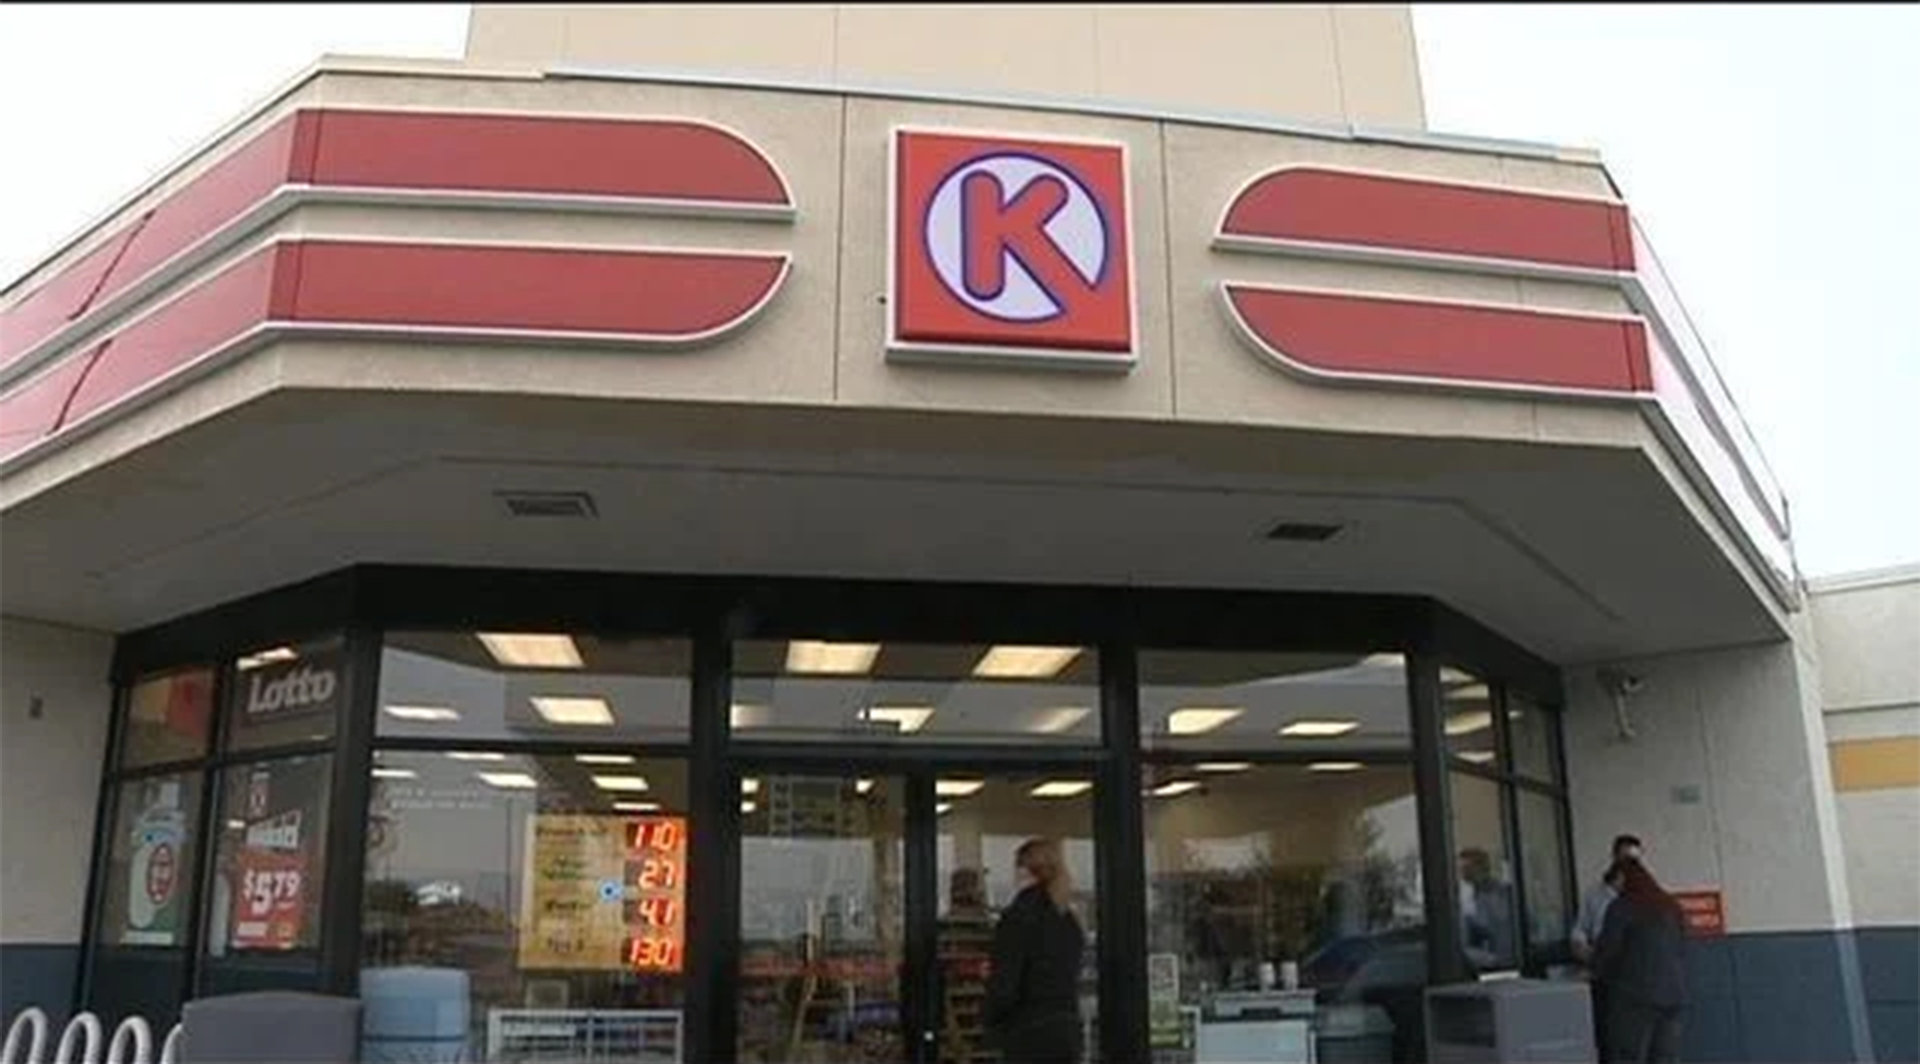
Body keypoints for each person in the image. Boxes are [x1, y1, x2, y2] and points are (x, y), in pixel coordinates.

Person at [986, 838, 1086, 1064]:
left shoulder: (1018, 918)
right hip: (1066, 1030)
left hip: (1028, 1030)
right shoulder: (1068, 922)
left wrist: (992, 1021)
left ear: (1024, 872)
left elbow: (1005, 982)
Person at [1592, 857, 1688, 1063]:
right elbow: (1682, 946)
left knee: (1629, 1055)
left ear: (1622, 877)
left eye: (1615, 884)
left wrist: (1593, 967)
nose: (1614, 891)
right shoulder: (1671, 905)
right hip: (1672, 994)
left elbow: (1608, 950)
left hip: (1634, 996)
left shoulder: (1622, 907)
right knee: (1665, 1058)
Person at [1573, 834, 1643, 1059]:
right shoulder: (1594, 894)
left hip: (1631, 974)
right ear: (1614, 858)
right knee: (1605, 1036)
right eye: (1625, 858)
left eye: (1635, 860)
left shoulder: (1644, 896)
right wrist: (1581, 947)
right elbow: (1580, 929)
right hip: (1602, 972)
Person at [1457, 847, 1516, 969]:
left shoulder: (1505, 893)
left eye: (1467, 869)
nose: (1463, 875)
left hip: (1511, 957)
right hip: (1490, 962)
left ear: (1482, 868)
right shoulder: (1468, 898)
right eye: (1461, 870)